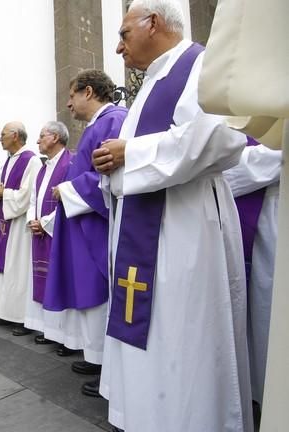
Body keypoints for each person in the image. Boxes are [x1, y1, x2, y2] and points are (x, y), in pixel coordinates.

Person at [92, 1, 252, 431]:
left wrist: (132, 153)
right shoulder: (151, 81)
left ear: (154, 23)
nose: (119, 47)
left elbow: (222, 136)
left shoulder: (201, 65)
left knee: (185, 333)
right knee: (154, 331)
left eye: (124, 34)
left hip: (185, 223)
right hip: (145, 221)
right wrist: (112, 165)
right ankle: (149, 416)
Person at [45, 70, 128, 398]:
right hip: (85, 221)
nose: (68, 103)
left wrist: (68, 188)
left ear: (89, 92)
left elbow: (113, 175)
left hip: (97, 224)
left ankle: (109, 365)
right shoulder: (99, 124)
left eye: (72, 95)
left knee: (99, 289)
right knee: (88, 289)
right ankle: (97, 357)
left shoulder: (115, 119)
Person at [223, 139, 282, 406]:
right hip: (248, 213)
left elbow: (276, 156)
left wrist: (214, 166)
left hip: (274, 211)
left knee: (271, 316)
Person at [22, 121, 73, 341]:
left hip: (59, 232)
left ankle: (62, 334)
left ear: (54, 137)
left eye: (42, 136)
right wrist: (33, 220)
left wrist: (46, 223)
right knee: (42, 278)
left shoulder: (71, 163)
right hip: (40, 231)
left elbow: (69, 199)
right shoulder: (43, 168)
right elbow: (34, 199)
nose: (37, 141)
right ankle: (46, 328)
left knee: (59, 278)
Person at [0, 121, 41, 334]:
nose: (0, 138)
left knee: (19, 269)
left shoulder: (32, 161)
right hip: (5, 220)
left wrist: (5, 194)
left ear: (15, 136)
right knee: (6, 268)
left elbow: (29, 194)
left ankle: (22, 317)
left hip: (19, 223)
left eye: (3, 134)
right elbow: (1, 188)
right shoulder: (7, 161)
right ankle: (6, 312)